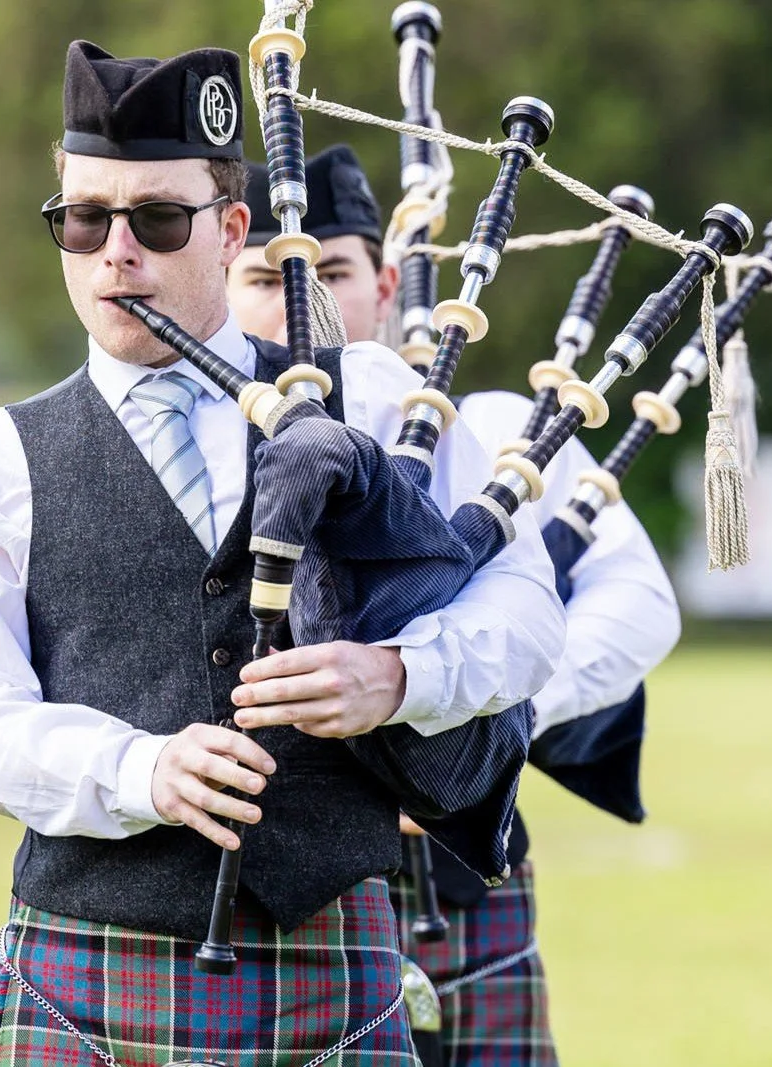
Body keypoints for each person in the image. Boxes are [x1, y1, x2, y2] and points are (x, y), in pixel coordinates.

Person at [0, 43, 567, 1067]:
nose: (116, 252)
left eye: (156, 219)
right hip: (83, 970)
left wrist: (399, 676)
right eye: (83, 219)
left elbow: (523, 613)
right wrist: (140, 767)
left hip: (334, 972)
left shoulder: (374, 399)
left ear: (232, 228)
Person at [227, 144, 682, 1067]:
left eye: (332, 270)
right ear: (225, 287)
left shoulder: (500, 428)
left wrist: (476, 716)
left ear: (387, 283)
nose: (300, 299)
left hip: (459, 879)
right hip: (266, 892)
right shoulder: (199, 437)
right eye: (266, 276)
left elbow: (636, 604)